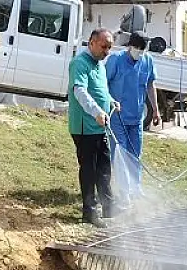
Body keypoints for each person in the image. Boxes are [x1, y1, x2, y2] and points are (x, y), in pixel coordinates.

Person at [67, 28, 121, 227]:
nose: (107, 51)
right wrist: (97, 111)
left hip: (100, 127)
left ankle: (109, 207)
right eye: (103, 46)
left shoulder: (99, 65)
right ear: (91, 43)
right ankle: (89, 212)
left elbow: (100, 90)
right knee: (89, 170)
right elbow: (80, 91)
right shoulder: (79, 63)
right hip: (85, 126)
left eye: (109, 48)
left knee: (104, 168)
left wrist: (111, 101)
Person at [105, 31, 161, 205]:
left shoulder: (147, 61)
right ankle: (124, 192)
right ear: (130, 46)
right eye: (137, 48)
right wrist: (108, 103)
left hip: (136, 118)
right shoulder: (116, 60)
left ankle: (136, 188)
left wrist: (156, 110)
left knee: (135, 154)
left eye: (143, 50)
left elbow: (150, 85)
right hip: (118, 117)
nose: (140, 52)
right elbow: (103, 84)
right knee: (120, 154)